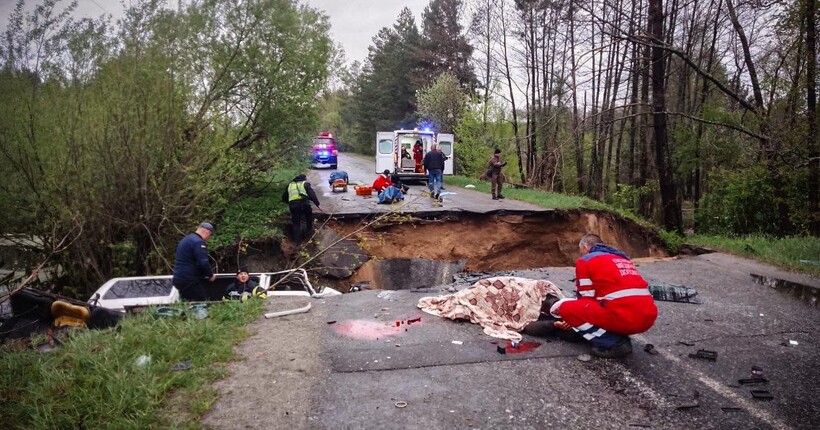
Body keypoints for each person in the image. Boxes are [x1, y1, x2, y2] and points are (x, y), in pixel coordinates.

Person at [547, 234, 658, 358]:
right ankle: (614, 332)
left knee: (567, 309)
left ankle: (614, 342)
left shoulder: (586, 261)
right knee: (602, 305)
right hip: (648, 317)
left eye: (581, 251)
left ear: (585, 248)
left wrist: (572, 318)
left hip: (625, 318)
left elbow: (585, 298)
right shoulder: (622, 259)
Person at [172, 222, 216, 301]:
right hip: (189, 279)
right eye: (210, 236)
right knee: (201, 303)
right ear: (208, 232)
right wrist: (210, 275)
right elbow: (203, 262)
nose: (208, 238)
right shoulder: (198, 242)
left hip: (179, 278)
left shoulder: (185, 240)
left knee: (188, 303)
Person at [281, 174, 322, 245]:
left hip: (293, 205)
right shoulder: (305, 184)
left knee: (296, 223)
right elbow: (312, 195)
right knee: (309, 218)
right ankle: (309, 235)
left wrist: (290, 202)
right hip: (304, 204)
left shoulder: (290, 185)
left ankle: (297, 242)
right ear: (304, 179)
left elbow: (284, 197)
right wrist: (317, 204)